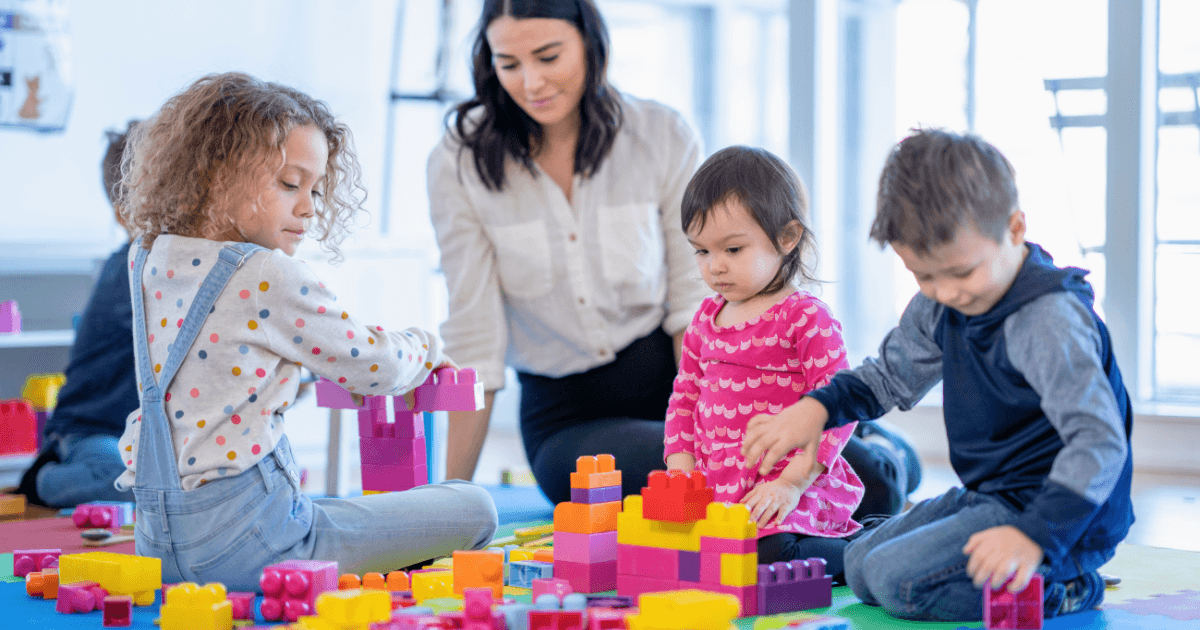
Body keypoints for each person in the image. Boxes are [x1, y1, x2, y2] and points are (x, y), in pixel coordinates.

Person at [428, 0, 918, 514]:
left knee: (856, 477)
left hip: (694, 381)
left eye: (549, 57)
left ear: (590, 44)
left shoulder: (659, 134)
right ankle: (875, 448)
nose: (531, 82)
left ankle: (884, 449)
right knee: (705, 491)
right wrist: (447, 503)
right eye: (509, 64)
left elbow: (695, 298)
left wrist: (721, 425)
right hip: (569, 420)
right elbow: (474, 341)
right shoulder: (456, 163)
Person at [114, 72, 497, 591]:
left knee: (337, 508)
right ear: (216, 175)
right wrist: (425, 348)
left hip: (157, 547)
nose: (309, 207)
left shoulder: (148, 258)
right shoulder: (264, 272)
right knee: (475, 506)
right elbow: (372, 365)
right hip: (256, 550)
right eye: (290, 184)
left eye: (315, 189)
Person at [741, 129, 1132, 622]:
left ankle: (1066, 586)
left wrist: (1034, 537)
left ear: (1014, 230)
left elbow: (1099, 443)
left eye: (961, 273)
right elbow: (889, 376)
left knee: (897, 585)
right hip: (990, 495)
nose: (945, 292)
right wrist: (816, 409)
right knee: (860, 567)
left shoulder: (1046, 320)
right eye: (924, 276)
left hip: (1059, 515)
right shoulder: (941, 303)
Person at [664, 146, 862, 581]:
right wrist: (680, 473)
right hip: (724, 493)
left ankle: (868, 547)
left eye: (733, 249)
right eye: (701, 251)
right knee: (690, 556)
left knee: (770, 555)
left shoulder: (805, 317)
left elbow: (839, 407)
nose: (714, 267)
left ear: (787, 238)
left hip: (793, 487)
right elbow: (684, 400)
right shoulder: (704, 320)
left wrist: (791, 483)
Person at [16, 123, 141, 508]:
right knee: (125, 482)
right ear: (123, 215)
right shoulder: (128, 270)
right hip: (90, 432)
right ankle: (42, 481)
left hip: (137, 438)